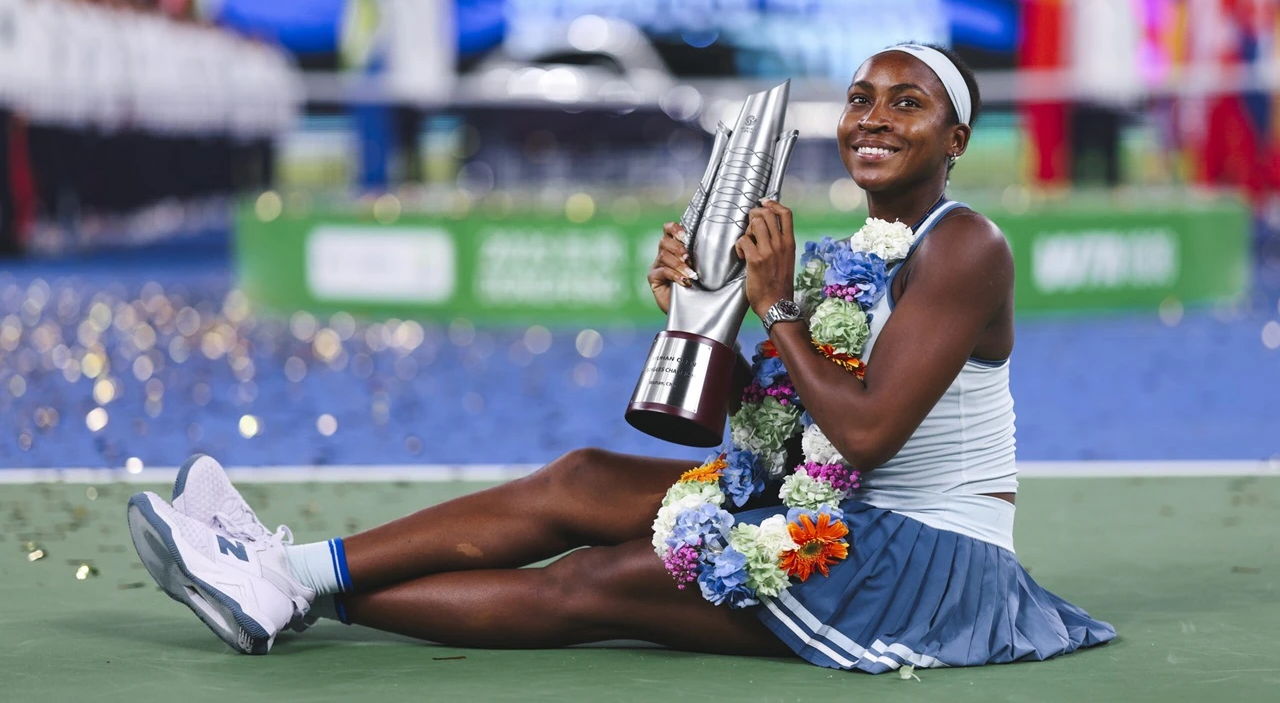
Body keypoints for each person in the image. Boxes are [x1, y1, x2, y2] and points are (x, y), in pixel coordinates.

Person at [125, 43, 1116, 672]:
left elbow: (861, 435)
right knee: (580, 479)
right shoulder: (852, 255)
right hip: (835, 512)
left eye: (906, 103)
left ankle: (281, 583)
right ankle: (287, 574)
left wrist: (771, 307)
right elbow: (776, 434)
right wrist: (698, 316)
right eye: (861, 99)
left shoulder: (966, 245)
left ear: (955, 137)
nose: (873, 117)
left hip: (916, 568)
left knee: (594, 582)